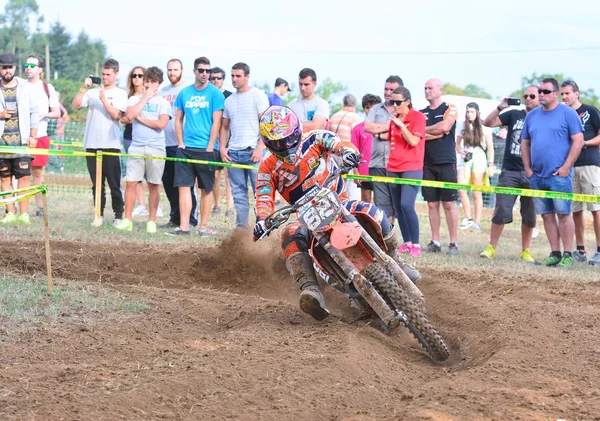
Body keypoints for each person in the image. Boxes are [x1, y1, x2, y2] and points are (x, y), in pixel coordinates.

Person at [253, 106, 420, 320]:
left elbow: (337, 143)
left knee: (373, 212)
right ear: (268, 143)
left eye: (288, 138)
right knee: (289, 233)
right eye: (277, 143)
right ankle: (311, 289)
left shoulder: (314, 138)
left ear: (297, 130)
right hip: (307, 217)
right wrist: (262, 220)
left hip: (340, 203)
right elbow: (264, 196)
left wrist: (349, 152)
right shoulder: (267, 167)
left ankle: (396, 259)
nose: (285, 146)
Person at [521, 78, 584, 267]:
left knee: (564, 214)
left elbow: (578, 141)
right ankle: (555, 253)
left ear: (556, 94)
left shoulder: (568, 113)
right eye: (540, 91)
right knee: (546, 215)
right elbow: (525, 142)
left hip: (559, 176)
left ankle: (567, 254)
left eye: (546, 91)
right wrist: (528, 169)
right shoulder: (532, 116)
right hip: (537, 176)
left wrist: (566, 167)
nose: (541, 94)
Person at [480, 86, 540, 262]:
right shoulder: (514, 114)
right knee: (501, 211)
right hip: (510, 172)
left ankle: (525, 250)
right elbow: (487, 123)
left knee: (529, 215)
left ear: (540, 98)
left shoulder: (544, 118)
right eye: (525, 96)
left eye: (532, 96)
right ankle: (491, 247)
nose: (528, 98)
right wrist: (501, 107)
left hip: (533, 173)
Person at [169, 56, 224, 236]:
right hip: (186, 149)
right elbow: (177, 120)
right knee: (184, 187)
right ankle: (184, 227)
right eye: (201, 70)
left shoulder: (215, 94)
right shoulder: (184, 93)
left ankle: (203, 227)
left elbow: (217, 122)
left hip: (206, 149)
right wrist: (180, 143)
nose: (205, 74)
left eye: (208, 71)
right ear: (194, 71)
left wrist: (210, 146)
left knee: (206, 189)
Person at [72, 59, 128, 227]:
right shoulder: (91, 93)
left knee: (114, 183)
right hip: (92, 143)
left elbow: (116, 115)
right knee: (96, 184)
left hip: (110, 144)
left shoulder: (120, 93)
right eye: (103, 74)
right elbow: (75, 105)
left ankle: (118, 215)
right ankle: (99, 214)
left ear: (116, 74)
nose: (105, 78)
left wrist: (104, 100)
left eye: (108, 75)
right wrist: (84, 88)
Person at [116, 66, 171, 234]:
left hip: (156, 147)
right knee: (131, 183)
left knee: (154, 185)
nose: (148, 84)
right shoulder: (134, 99)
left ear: (159, 84)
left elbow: (161, 124)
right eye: (146, 81)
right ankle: (128, 220)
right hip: (136, 145)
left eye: (152, 81)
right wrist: (144, 99)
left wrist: (140, 118)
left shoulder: (164, 103)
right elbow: (129, 115)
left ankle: (151, 221)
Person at [219, 62, 269, 229]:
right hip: (234, 152)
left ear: (247, 76)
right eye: (232, 75)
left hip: (253, 152)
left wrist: (260, 147)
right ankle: (242, 232)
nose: (234, 79)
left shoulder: (258, 96)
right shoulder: (229, 101)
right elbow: (224, 127)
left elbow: (266, 124)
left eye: (238, 76)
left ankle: (262, 228)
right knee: (239, 195)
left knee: (259, 194)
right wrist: (222, 148)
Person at [560, 80, 600, 265]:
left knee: (596, 210)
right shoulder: (563, 114)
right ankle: (581, 250)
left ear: (577, 93)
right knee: (575, 210)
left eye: (567, 93)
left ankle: (599, 251)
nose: (564, 97)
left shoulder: (590, 111)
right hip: (570, 167)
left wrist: (584, 143)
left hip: (590, 165)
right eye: (562, 94)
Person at [421, 78, 459, 255]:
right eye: (425, 88)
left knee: (449, 204)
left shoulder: (450, 108)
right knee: (432, 204)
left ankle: (453, 243)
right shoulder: (421, 113)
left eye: (430, 88)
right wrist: (435, 133)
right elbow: (417, 135)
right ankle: (435, 241)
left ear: (440, 90)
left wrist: (426, 131)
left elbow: (445, 127)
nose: (427, 91)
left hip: (446, 161)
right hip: (427, 162)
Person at [159, 58, 199, 229]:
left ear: (182, 70)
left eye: (175, 70)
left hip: (183, 144)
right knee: (168, 183)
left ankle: (190, 218)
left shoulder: (188, 90)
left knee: (185, 184)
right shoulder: (162, 91)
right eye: (169, 70)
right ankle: (174, 217)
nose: (172, 73)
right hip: (164, 143)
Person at [387, 87, 426, 257]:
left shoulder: (417, 117)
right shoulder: (393, 119)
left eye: (397, 102)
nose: (394, 105)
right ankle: (407, 242)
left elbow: (413, 141)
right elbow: (392, 143)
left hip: (412, 167)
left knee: (406, 205)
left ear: (408, 101)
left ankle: (416, 244)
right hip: (393, 168)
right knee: (398, 208)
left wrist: (402, 126)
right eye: (392, 102)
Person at [0, 52, 38, 224]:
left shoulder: (25, 86)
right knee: (5, 179)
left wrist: (33, 136)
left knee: (23, 178)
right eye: (4, 67)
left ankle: (23, 214)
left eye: (10, 67)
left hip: (22, 142)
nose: (7, 70)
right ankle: (10, 213)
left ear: (15, 68)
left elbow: (34, 111)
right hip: (2, 143)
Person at [363, 75, 404, 223]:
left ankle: (408, 241)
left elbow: (404, 133)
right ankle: (388, 240)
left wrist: (379, 132)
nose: (387, 92)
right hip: (377, 163)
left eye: (391, 89)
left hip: (399, 165)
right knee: (382, 208)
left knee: (400, 206)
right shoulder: (376, 108)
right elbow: (367, 127)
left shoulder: (405, 110)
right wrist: (393, 127)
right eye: (386, 89)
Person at [23, 55, 59, 218]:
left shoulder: (47, 88)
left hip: (41, 136)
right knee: (20, 173)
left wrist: (42, 114)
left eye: (32, 65)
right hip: (21, 138)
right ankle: (16, 207)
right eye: (26, 64)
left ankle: (40, 207)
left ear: (40, 69)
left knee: (37, 173)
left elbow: (56, 112)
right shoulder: (20, 86)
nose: (28, 67)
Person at [455, 102, 494, 232]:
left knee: (476, 192)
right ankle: (468, 217)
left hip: (479, 159)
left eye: (472, 111)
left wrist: (491, 164)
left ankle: (477, 222)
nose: (469, 114)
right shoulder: (462, 125)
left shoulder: (485, 126)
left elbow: (490, 147)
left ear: (477, 112)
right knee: (461, 189)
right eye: (467, 111)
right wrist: (461, 152)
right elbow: (457, 144)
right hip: (465, 159)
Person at [120, 66, 149, 217]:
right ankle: (142, 205)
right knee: (135, 174)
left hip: (149, 138)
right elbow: (125, 118)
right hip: (130, 137)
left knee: (150, 174)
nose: (137, 78)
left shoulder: (151, 96)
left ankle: (152, 207)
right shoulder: (129, 97)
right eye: (134, 75)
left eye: (140, 75)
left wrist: (136, 117)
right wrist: (136, 118)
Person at [209, 66, 234, 218]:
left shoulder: (230, 96)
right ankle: (217, 205)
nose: (216, 80)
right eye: (213, 78)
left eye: (218, 78)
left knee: (229, 175)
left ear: (223, 79)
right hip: (213, 141)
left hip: (230, 140)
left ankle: (229, 207)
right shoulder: (208, 95)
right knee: (215, 175)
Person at [328, 94, 362, 200]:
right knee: (351, 189)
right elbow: (356, 141)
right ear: (355, 105)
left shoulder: (334, 116)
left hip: (333, 155)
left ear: (343, 103)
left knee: (334, 186)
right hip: (348, 155)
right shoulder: (356, 118)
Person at [351, 94, 382, 203]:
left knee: (381, 203)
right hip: (364, 171)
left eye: (373, 107)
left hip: (381, 170)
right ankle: (366, 221)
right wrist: (355, 172)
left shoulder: (384, 127)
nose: (370, 111)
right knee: (366, 202)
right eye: (367, 107)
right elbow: (353, 152)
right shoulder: (358, 129)